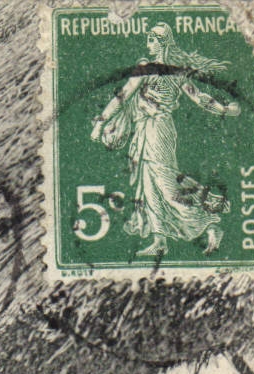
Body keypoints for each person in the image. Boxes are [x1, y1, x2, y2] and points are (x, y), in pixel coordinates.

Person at [90, 24, 239, 257]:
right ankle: (160, 241)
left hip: (159, 130)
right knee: (148, 186)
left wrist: (224, 109)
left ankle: (210, 224)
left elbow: (123, 97)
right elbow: (123, 96)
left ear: (160, 42)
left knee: (167, 187)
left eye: (151, 39)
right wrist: (224, 109)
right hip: (144, 129)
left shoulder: (159, 70)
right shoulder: (162, 70)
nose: (147, 44)